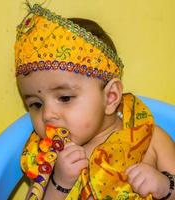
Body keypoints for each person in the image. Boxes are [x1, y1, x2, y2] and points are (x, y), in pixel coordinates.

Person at [15, 3, 175, 200]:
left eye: (65, 98)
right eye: (36, 104)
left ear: (110, 97)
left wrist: (166, 187)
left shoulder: (151, 138)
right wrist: (60, 184)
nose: (47, 114)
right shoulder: (47, 155)